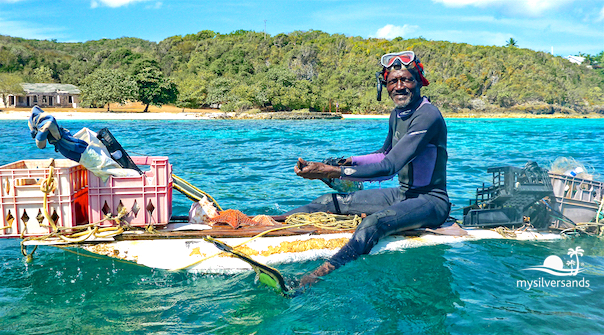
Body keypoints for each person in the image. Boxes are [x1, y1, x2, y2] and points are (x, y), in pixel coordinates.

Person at [286, 51, 451, 286]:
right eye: (393, 81)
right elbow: (384, 154)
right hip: (403, 194)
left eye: (406, 79)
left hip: (431, 201)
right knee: (327, 202)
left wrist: (331, 171)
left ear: (419, 82)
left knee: (373, 223)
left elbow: (389, 167)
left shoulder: (428, 116)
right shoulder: (397, 114)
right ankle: (268, 223)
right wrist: (346, 162)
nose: (399, 86)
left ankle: (314, 277)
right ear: (385, 85)